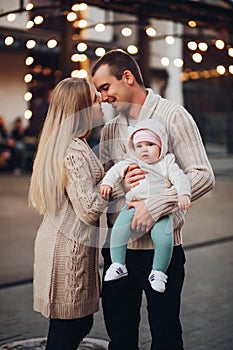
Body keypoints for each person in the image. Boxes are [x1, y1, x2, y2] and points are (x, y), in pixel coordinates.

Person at [91, 49, 215, 350]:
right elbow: (107, 186)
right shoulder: (111, 130)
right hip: (118, 251)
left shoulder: (174, 115)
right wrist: (120, 189)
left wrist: (155, 204)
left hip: (163, 250)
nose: (103, 97)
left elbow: (202, 175)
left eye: (105, 87)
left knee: (166, 337)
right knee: (119, 339)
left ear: (128, 77)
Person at [28, 77, 107, 350]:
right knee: (71, 327)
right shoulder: (74, 151)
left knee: (70, 326)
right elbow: (88, 209)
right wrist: (113, 184)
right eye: (96, 100)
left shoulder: (67, 144)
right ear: (81, 109)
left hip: (61, 244)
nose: (101, 104)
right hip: (68, 251)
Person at [100, 119, 191, 293]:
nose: (144, 150)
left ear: (161, 146)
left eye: (150, 144)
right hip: (133, 206)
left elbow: (180, 178)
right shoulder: (131, 162)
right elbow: (115, 171)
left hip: (161, 211)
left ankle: (158, 272)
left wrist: (183, 194)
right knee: (119, 229)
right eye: (140, 146)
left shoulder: (166, 163)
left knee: (164, 240)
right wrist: (107, 184)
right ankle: (118, 264)